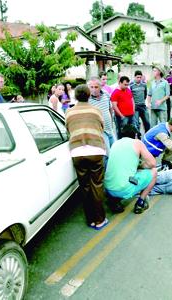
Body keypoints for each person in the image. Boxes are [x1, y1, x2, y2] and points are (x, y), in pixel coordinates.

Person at [65, 84, 108, 230]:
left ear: (75, 96)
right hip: (95, 149)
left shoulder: (69, 112)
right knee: (97, 184)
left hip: (77, 151)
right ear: (89, 95)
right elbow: (101, 127)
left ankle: (90, 219)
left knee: (85, 186)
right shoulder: (96, 110)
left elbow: (68, 130)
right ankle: (100, 219)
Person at [104, 124, 157, 214]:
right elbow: (152, 163)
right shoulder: (137, 143)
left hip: (108, 188)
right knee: (154, 172)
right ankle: (140, 203)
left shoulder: (115, 143)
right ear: (135, 135)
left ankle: (114, 201)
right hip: (124, 189)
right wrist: (141, 166)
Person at [88, 77, 116, 157]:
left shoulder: (106, 94)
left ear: (100, 87)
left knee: (114, 150)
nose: (94, 89)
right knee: (107, 153)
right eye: (91, 87)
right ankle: (108, 169)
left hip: (109, 128)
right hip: (100, 131)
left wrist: (111, 122)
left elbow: (110, 108)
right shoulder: (87, 99)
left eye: (96, 87)